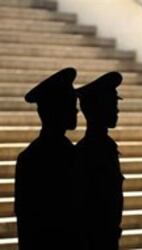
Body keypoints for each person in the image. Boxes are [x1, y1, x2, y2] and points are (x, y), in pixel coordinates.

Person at [14, 68, 81, 250]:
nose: (76, 111)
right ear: (55, 110)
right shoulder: (35, 159)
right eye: (70, 104)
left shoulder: (68, 153)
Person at [75, 72, 124, 250]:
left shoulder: (105, 146)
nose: (117, 110)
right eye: (112, 104)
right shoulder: (89, 150)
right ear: (97, 109)